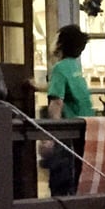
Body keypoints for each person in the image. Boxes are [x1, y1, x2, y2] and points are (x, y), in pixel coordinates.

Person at [40, 24, 93, 195]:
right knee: (78, 178)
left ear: (60, 43)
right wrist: (37, 86)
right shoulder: (74, 66)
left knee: (61, 181)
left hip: (68, 131)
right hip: (86, 127)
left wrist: (51, 136)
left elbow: (56, 102)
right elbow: (64, 88)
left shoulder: (59, 68)